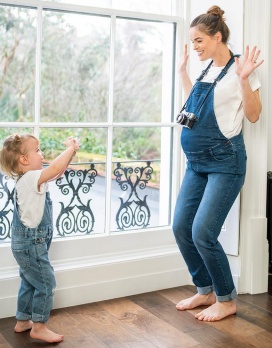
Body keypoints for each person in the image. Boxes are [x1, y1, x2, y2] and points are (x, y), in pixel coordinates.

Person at [172, 5, 263, 322]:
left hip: (226, 162)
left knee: (203, 232)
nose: (194, 46)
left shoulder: (242, 67)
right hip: (196, 162)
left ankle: (226, 299)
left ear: (217, 36)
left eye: (198, 40)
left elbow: (253, 115)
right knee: (181, 227)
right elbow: (193, 107)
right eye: (193, 41)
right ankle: (205, 289)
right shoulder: (205, 69)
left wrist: (244, 79)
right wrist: (183, 75)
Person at [0, 134, 79, 342]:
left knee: (29, 281)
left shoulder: (30, 178)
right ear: (24, 160)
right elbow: (53, 169)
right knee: (46, 283)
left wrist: (69, 157)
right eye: (37, 150)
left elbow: (57, 171)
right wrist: (70, 149)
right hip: (31, 244)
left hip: (28, 243)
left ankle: (23, 320)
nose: (41, 153)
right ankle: (39, 326)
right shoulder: (29, 179)